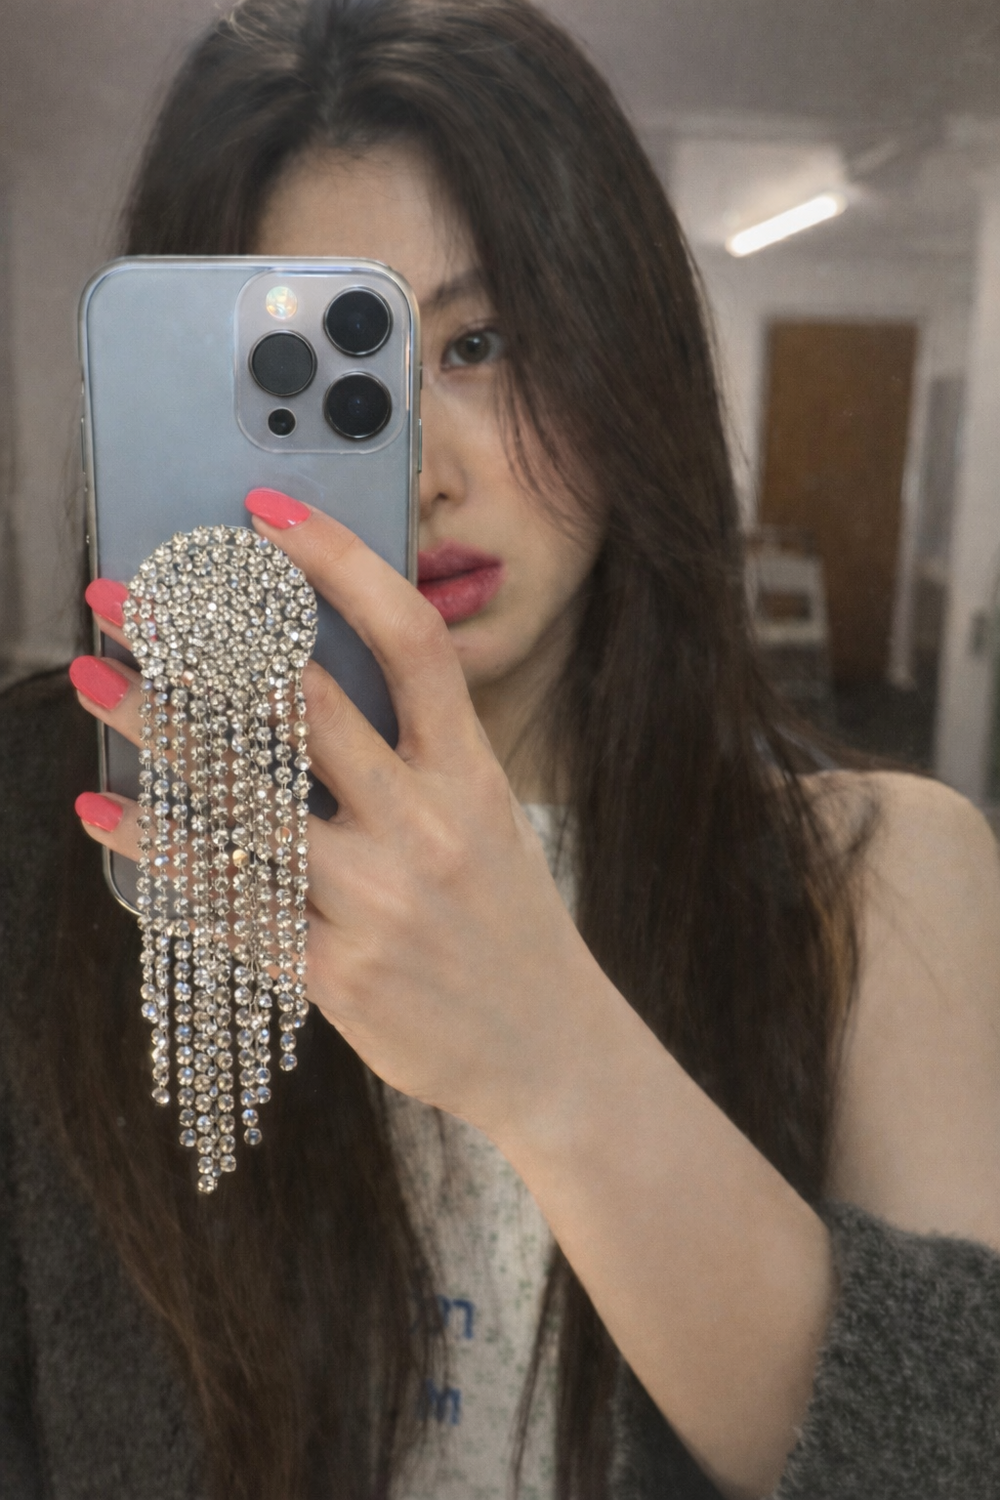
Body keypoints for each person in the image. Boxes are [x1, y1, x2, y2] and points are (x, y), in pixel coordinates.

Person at [2, 1, 999, 1497]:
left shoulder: (877, 883)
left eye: (482, 343)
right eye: (305, 381)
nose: (425, 470)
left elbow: (957, 1454)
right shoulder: (62, 836)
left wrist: (549, 1056)